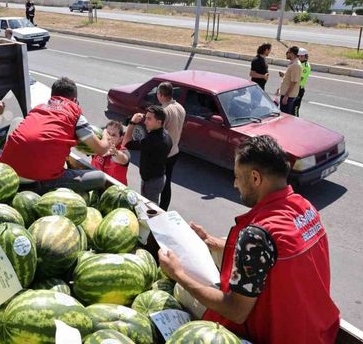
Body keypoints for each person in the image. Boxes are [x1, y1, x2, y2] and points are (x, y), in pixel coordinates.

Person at [158, 135, 340, 344]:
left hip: (277, 336)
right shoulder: (305, 208)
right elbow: (277, 254)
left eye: (237, 176)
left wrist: (178, 274)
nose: (235, 184)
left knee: (182, 291)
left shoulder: (256, 236)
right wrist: (214, 242)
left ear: (255, 178)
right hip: (317, 334)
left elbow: (236, 311)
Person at [0, 77, 112, 192]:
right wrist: (106, 135)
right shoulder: (74, 112)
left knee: (18, 121)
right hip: (37, 181)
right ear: (74, 100)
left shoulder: (39, 108)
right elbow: (101, 150)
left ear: (52, 96)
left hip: (5, 173)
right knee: (100, 177)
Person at [123, 106, 172, 205]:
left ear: (159, 122)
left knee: (149, 210)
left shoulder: (152, 140)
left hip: (151, 183)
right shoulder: (166, 135)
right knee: (151, 206)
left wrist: (132, 123)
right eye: (146, 118)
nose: (145, 122)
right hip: (158, 178)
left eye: (149, 119)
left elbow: (126, 142)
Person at [157, 82, 185, 211]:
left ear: (161, 95)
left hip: (164, 154)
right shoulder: (180, 107)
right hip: (175, 151)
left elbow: (158, 134)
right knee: (167, 182)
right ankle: (164, 208)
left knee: (158, 183)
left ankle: (158, 209)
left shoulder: (164, 112)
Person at [91, 120, 130, 185]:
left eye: (114, 135)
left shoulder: (123, 151)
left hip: (115, 191)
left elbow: (124, 159)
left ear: (120, 139)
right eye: (108, 133)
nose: (110, 137)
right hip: (96, 183)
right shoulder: (99, 145)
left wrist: (115, 153)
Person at [276, 46, 301, 114]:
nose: (286, 54)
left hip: (289, 96)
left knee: (285, 115)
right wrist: (284, 75)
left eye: (287, 52)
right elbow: (290, 78)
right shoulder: (292, 63)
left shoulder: (296, 65)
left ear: (292, 54)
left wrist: (286, 95)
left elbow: (294, 82)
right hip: (286, 94)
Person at [293, 48, 311, 117]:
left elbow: (300, 78)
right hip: (294, 87)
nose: (299, 57)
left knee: (295, 108)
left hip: (299, 88)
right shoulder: (298, 63)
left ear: (305, 56)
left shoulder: (306, 66)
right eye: (298, 56)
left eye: (301, 56)